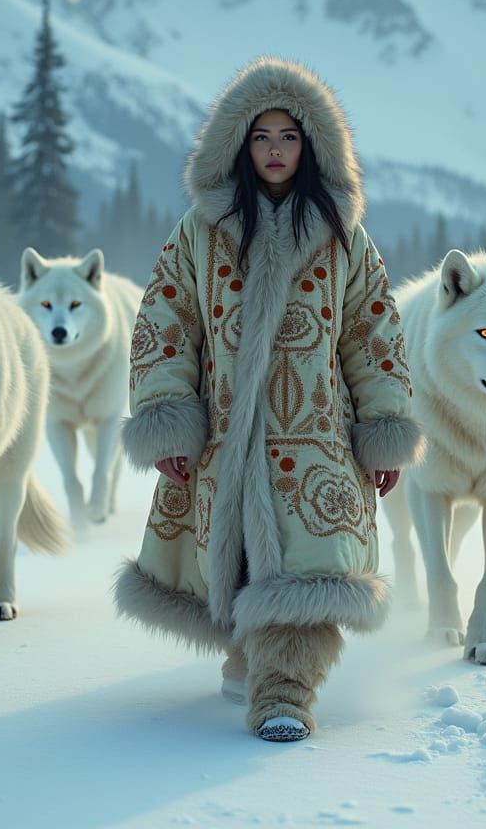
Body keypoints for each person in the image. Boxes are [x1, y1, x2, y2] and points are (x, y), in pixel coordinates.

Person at [115, 57, 424, 742]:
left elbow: (373, 333)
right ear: (239, 144)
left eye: (289, 136)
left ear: (311, 144)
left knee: (305, 566)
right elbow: (166, 320)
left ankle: (285, 692)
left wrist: (383, 425)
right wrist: (169, 417)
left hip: (316, 437)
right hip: (225, 432)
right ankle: (245, 652)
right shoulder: (200, 231)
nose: (276, 150)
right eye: (262, 137)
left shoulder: (344, 237)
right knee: (237, 555)